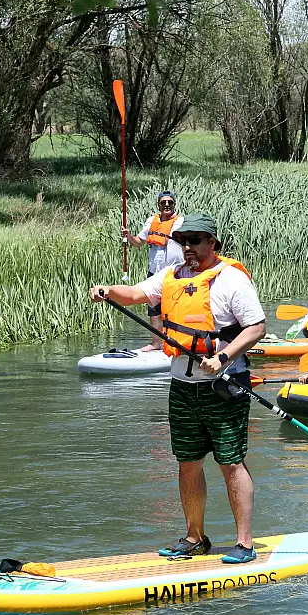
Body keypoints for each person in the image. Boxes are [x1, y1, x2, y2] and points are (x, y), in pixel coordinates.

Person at [90, 213, 266, 564]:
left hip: (223, 385)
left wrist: (224, 356)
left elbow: (257, 327)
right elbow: (136, 293)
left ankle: (244, 543)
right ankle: (194, 537)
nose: (187, 247)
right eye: (182, 241)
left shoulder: (230, 279)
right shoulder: (170, 276)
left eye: (195, 241)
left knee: (231, 463)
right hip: (182, 386)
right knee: (187, 463)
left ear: (211, 244)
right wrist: (108, 290)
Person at [122, 192, 184, 351]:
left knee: (175, 309)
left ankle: (178, 343)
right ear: (159, 205)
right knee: (154, 310)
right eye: (163, 202)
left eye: (170, 202)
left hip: (174, 273)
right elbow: (138, 242)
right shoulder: (151, 221)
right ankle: (156, 343)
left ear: (174, 204)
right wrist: (129, 236)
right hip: (154, 272)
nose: (167, 205)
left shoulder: (181, 222)